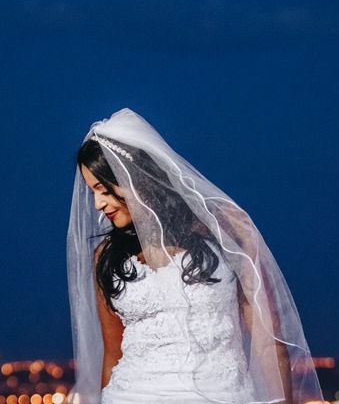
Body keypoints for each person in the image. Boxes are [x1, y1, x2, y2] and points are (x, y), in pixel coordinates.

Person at [65, 108, 323, 404]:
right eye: (92, 192)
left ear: (132, 176)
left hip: (222, 396)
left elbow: (268, 339)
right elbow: (113, 353)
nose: (98, 204)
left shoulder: (225, 234)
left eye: (103, 189)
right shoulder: (107, 258)